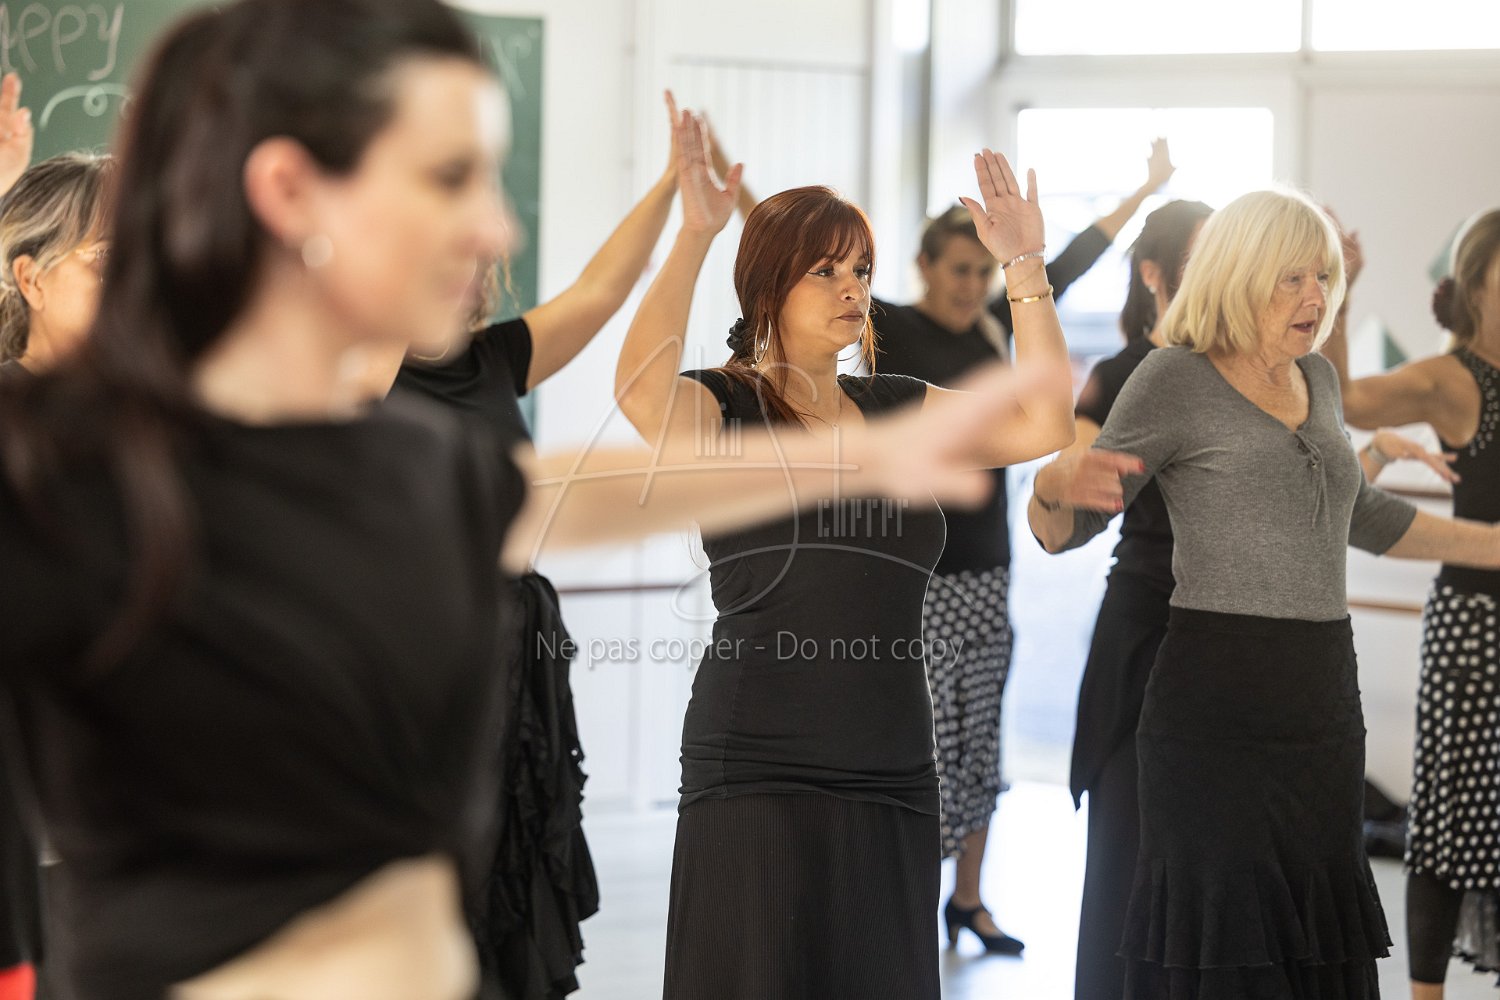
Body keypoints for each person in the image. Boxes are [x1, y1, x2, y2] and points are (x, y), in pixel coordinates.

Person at [0, 2, 1037, 998]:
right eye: (449, 178)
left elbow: (568, 498)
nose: (496, 224)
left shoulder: (398, 455)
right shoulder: (79, 468)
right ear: (290, 191)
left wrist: (874, 452)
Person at [614, 106, 1074, 998]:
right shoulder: (727, 406)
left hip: (892, 759)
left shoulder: (898, 407)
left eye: (859, 268)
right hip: (757, 763)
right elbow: (640, 394)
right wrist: (697, 233)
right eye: (823, 271)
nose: (851, 288)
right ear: (769, 289)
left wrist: (1025, 263)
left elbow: (1043, 419)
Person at [1029, 188, 1500, 996]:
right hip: (1213, 711)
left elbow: (1359, 512)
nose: (1316, 296)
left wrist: (1492, 545)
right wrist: (1050, 484)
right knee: (1225, 949)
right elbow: (1064, 528)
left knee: (1314, 942)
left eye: (1322, 277)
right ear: (1239, 274)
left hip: (1322, 706)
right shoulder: (1173, 378)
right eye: (1292, 278)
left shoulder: (1317, 377)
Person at [374, 91, 685, 1000]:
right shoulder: (358, 367)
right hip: (415, 660)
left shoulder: (495, 359)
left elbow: (600, 290)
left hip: (513, 657)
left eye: (482, 265)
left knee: (507, 873)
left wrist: (673, 182)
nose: (476, 276)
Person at [868, 138, 1175, 956]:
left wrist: (1144, 191)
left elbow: (1067, 262)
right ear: (924, 267)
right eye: (958, 270)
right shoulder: (886, 330)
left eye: (982, 271)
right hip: (915, 575)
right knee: (923, 745)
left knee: (979, 738)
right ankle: (905, 903)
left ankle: (968, 900)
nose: (971, 284)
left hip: (985, 567)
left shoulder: (996, 323)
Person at [1324, 208, 1500, 998]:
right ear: (1474, 288)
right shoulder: (1457, 377)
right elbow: (1350, 402)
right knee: (1448, 823)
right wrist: (1344, 292)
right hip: (1476, 625)